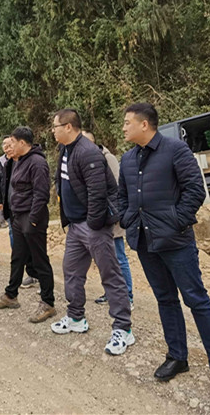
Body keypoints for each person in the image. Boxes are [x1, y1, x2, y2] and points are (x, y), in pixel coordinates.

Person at [119, 103, 210, 405]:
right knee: (165, 299)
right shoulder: (127, 159)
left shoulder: (175, 150)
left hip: (176, 242)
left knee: (197, 300)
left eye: (128, 122)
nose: (124, 127)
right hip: (145, 242)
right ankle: (177, 357)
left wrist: (175, 221)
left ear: (144, 124)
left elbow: (195, 190)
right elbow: (122, 196)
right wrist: (127, 218)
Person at [50, 109, 134, 356]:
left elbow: (98, 193)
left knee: (110, 275)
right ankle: (76, 317)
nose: (53, 131)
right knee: (72, 272)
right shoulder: (65, 150)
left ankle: (123, 329)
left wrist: (94, 225)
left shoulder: (87, 152)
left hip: (93, 226)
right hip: (76, 226)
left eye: (55, 126)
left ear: (68, 127)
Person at [0, 126, 56, 323]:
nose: (9, 146)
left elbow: (41, 194)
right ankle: (11, 295)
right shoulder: (17, 161)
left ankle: (48, 303)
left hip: (32, 218)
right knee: (17, 258)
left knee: (39, 260)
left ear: (22, 143)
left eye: (12, 142)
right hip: (18, 217)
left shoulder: (37, 163)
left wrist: (33, 219)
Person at [81, 131, 134, 309]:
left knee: (119, 257)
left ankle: (127, 295)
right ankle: (110, 292)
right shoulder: (85, 161)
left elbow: (117, 188)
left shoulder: (108, 158)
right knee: (105, 259)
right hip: (98, 218)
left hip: (112, 216)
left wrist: (117, 214)